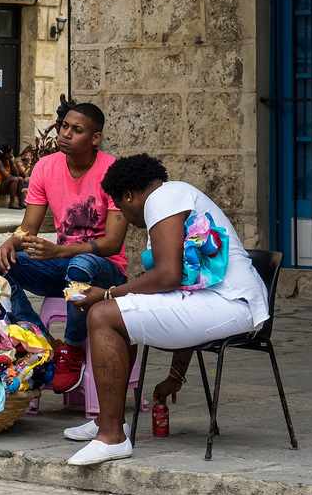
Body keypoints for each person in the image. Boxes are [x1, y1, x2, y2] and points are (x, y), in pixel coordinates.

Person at [63, 154, 269, 465]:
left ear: (130, 195)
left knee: (103, 314)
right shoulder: (174, 196)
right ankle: (111, 419)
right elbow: (184, 288)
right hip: (222, 304)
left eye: (121, 204)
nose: (126, 216)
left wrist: (106, 292)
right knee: (117, 311)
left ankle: (112, 437)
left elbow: (168, 277)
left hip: (233, 306)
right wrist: (176, 374)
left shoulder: (162, 199)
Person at [0, 103, 129, 395]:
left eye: (77, 130)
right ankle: (45, 341)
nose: (66, 134)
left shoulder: (113, 171)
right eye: (64, 126)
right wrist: (8, 244)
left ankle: (74, 349)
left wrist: (59, 252)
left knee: (81, 266)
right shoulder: (46, 167)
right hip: (63, 266)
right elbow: (29, 228)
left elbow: (112, 243)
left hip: (105, 270)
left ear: (95, 138)